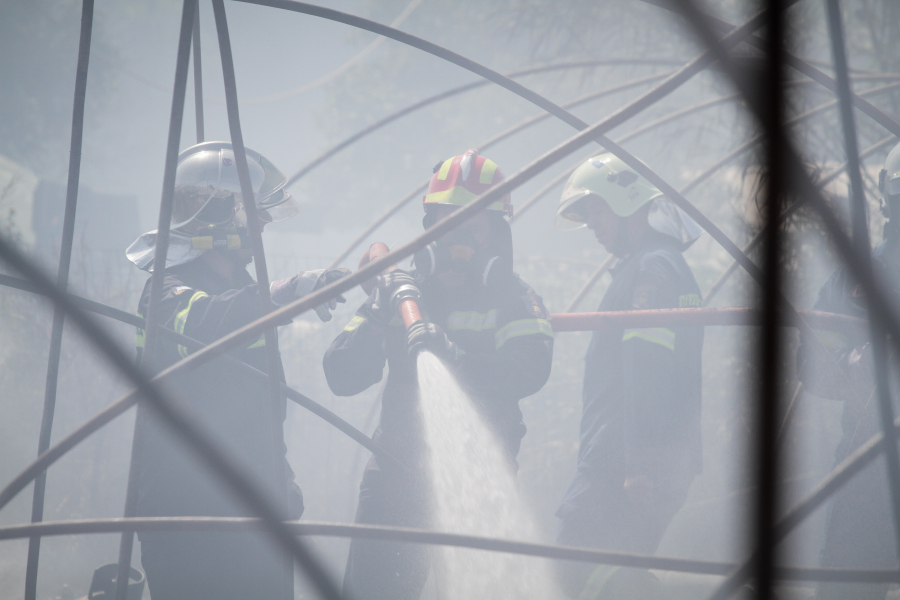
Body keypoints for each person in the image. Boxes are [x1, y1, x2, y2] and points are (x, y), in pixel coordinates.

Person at [323, 149, 554, 600]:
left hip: (479, 478)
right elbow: (341, 375)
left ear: (495, 235)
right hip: (395, 477)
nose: (456, 240)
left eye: (471, 226)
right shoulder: (402, 293)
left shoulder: (514, 299)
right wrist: (377, 311)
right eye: (446, 224)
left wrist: (451, 354)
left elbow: (530, 371)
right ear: (429, 229)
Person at [126, 141, 349, 600]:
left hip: (255, 513)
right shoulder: (165, 291)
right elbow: (206, 324)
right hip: (185, 516)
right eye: (253, 214)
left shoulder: (243, 289)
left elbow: (259, 404)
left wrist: (278, 475)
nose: (264, 224)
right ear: (215, 216)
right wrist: (291, 290)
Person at [553, 153, 704, 599]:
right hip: (645, 453)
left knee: (571, 570)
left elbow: (648, 368)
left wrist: (637, 461)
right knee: (606, 576)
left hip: (627, 455)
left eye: (595, 210)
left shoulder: (652, 269)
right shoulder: (657, 264)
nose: (591, 225)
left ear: (625, 201)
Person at [796, 141, 900, 600]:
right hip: (866, 464)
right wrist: (852, 362)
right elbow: (811, 364)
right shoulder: (854, 279)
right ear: (887, 198)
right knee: (846, 586)